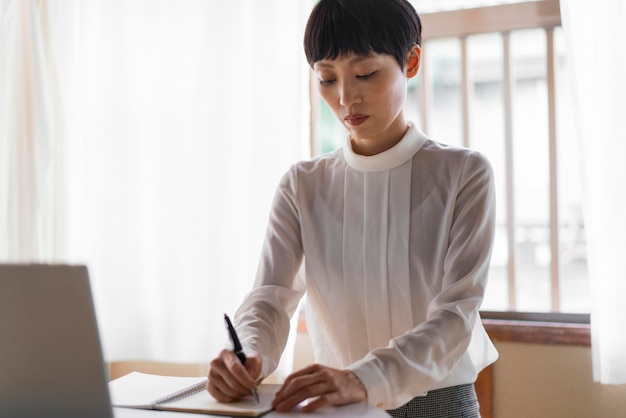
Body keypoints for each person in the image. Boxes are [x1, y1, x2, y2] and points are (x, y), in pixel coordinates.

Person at [207, 0, 498, 416]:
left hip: (439, 406)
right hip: (340, 406)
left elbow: (456, 315)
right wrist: (245, 355)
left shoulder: (464, 174)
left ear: (411, 62)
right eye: (327, 78)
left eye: (365, 74)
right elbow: (270, 298)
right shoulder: (302, 185)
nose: (345, 97)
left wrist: (363, 377)